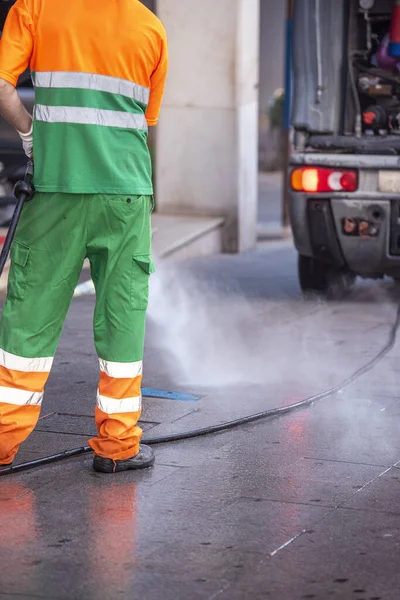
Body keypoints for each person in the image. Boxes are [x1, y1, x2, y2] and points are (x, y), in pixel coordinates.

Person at [0, 0, 168, 473]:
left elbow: (1, 86)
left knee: (31, 314)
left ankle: (2, 442)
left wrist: (31, 135)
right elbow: (145, 122)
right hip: (127, 193)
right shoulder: (150, 26)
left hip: (56, 189)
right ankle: (118, 448)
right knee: (122, 316)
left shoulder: (34, 7)